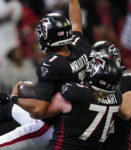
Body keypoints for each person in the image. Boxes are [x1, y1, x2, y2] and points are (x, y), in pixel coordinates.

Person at [0, 0, 90, 149]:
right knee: (6, 107)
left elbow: (39, 111)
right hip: (76, 118)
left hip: (52, 126)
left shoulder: (51, 64)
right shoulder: (80, 46)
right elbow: (76, 22)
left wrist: (15, 98)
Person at [0, 54, 123, 150]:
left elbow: (37, 112)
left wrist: (15, 98)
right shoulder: (117, 98)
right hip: (89, 144)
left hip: (62, 144)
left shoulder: (75, 92)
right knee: (9, 108)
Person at [90, 41, 131, 150]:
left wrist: (103, 85)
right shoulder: (84, 83)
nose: (91, 66)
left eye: (96, 63)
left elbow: (127, 112)